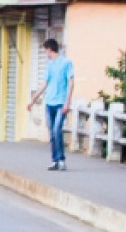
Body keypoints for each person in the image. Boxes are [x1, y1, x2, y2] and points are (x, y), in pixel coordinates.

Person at [27, 39, 74, 171]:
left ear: (49, 49)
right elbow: (44, 84)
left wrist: (67, 102)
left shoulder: (66, 63)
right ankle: (55, 160)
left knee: (57, 130)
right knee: (52, 133)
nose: (45, 53)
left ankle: (61, 159)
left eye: (46, 50)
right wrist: (33, 99)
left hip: (60, 103)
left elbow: (71, 82)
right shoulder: (49, 65)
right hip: (49, 102)